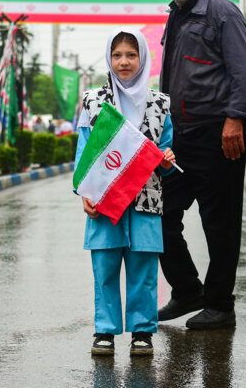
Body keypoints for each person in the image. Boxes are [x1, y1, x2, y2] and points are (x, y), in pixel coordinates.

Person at [157, 0, 246, 330]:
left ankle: (220, 305)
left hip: (220, 135)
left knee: (220, 224)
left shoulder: (222, 12)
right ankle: (187, 291)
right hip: (180, 137)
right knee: (160, 212)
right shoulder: (176, 17)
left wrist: (236, 119)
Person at [76, 28, 175, 357]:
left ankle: (142, 333)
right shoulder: (93, 102)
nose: (123, 61)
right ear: (109, 58)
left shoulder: (160, 104)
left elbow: (164, 155)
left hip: (146, 202)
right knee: (104, 268)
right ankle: (104, 330)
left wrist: (167, 160)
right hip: (103, 201)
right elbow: (84, 154)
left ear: (143, 58)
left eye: (131, 55)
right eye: (117, 55)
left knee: (144, 270)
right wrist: (83, 192)